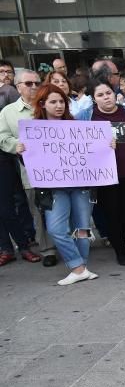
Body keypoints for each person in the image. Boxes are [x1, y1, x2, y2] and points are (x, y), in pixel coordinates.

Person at [20, 83, 98, 284]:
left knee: (82, 228)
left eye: (61, 101)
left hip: (80, 186)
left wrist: (107, 145)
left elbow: (93, 152)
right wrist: (23, 151)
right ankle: (78, 266)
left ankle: (82, 267)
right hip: (53, 189)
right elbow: (31, 163)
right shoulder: (33, 130)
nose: (58, 105)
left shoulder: (76, 126)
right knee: (56, 228)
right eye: (53, 102)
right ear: (43, 104)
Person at [80, 79, 125, 270]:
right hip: (105, 178)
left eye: (108, 93)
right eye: (100, 95)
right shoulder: (85, 117)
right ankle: (121, 252)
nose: (105, 97)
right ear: (94, 99)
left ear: (114, 94)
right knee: (113, 217)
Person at [0, 68, 43, 266]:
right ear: (18, 87)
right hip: (29, 172)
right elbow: (2, 137)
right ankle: (47, 248)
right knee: (39, 210)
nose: (34, 87)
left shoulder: (49, 104)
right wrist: (14, 144)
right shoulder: (8, 113)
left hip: (61, 170)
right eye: (28, 83)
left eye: (37, 82)